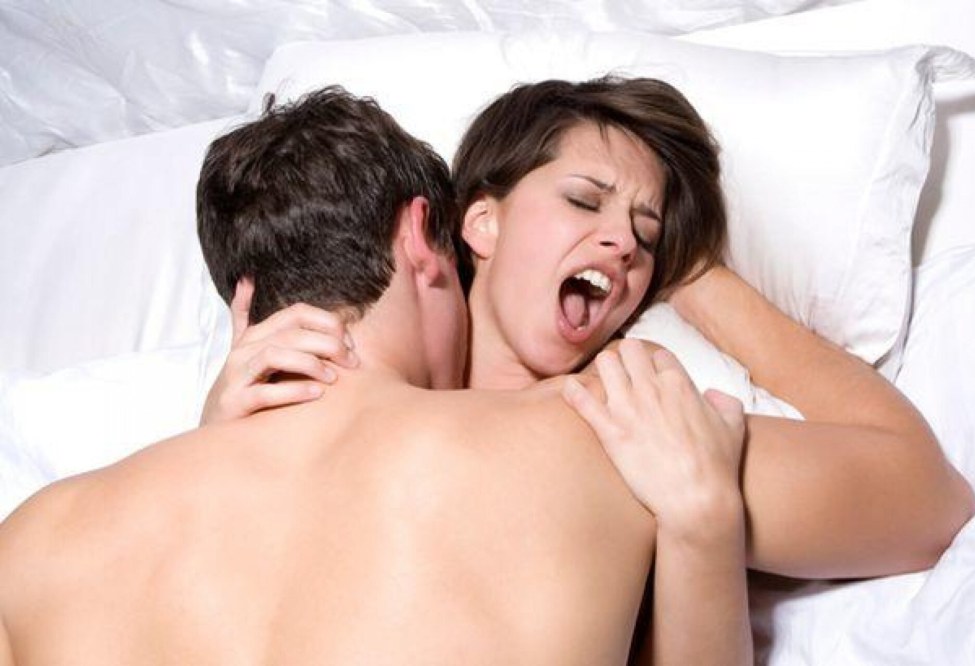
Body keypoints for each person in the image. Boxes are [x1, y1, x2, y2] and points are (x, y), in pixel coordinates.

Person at [0, 86, 752, 665]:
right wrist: (708, 523)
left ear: (249, 298)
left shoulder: (36, 539)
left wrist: (212, 450)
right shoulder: (595, 428)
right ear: (425, 235)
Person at [204, 77, 975, 580]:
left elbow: (928, 501)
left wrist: (697, 276)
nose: (625, 242)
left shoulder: (625, 430)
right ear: (480, 222)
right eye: (584, 200)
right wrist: (216, 451)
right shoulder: (311, 407)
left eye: (647, 233)